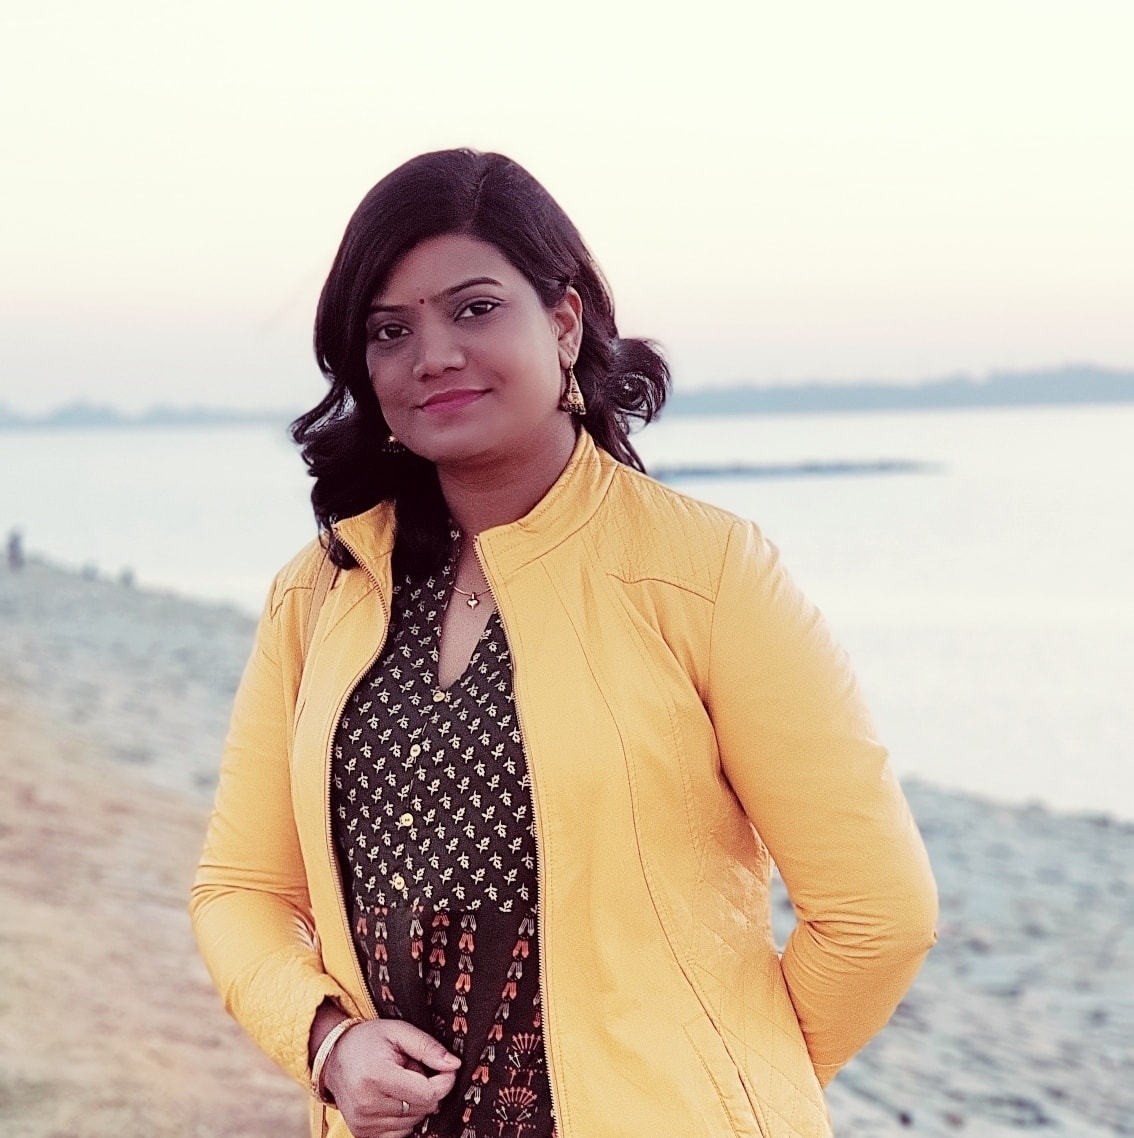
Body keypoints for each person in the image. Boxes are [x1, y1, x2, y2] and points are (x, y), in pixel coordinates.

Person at [191, 149, 937, 1138]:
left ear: (564, 322)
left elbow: (878, 914)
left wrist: (714, 1091)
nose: (433, 355)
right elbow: (242, 889)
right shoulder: (321, 591)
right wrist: (329, 1042)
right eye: (390, 330)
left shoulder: (704, 571)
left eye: (474, 309)